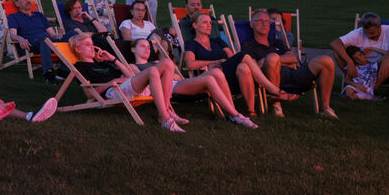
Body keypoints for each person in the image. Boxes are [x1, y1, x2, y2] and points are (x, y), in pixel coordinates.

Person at [65, 29, 252, 132]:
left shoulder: (105, 63)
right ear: (78, 50)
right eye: (88, 44)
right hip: (114, 90)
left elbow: (130, 77)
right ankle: (164, 117)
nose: (93, 47)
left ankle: (233, 115)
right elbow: (90, 93)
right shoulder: (81, 67)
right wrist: (114, 80)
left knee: (168, 63)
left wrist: (112, 59)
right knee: (154, 71)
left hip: (127, 86)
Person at [235, 10, 339, 119]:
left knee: (326, 60)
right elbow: (255, 65)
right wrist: (277, 61)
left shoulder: (277, 42)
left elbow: (294, 58)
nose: (264, 24)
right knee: (272, 57)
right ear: (251, 24)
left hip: (293, 73)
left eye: (267, 21)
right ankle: (276, 104)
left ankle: (325, 108)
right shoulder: (248, 45)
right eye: (260, 21)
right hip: (272, 78)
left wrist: (274, 61)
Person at [181, 12, 291, 114]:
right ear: (195, 25)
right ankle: (272, 89)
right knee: (242, 55)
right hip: (213, 76)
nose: (209, 25)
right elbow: (190, 64)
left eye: (210, 23)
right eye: (205, 22)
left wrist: (224, 62)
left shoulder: (218, 41)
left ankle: (251, 111)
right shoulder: (191, 44)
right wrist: (216, 61)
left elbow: (232, 58)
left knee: (243, 66)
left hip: (230, 75)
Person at [331, 13, 389, 98]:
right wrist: (349, 62)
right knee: (336, 52)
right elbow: (335, 44)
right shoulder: (358, 33)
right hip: (360, 67)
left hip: (380, 67)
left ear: (379, 27)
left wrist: (386, 60)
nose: (368, 36)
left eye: (372, 33)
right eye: (366, 33)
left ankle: (373, 89)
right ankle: (352, 79)